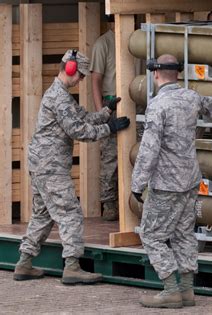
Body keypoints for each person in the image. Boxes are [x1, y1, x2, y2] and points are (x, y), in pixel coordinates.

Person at [13, 49, 130, 285]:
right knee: (70, 213)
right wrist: (110, 128)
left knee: (42, 215)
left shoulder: (61, 96)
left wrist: (106, 112)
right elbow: (79, 131)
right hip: (50, 167)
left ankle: (24, 262)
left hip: (42, 165)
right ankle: (72, 266)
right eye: (81, 75)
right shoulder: (59, 97)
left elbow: (82, 117)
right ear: (70, 69)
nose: (82, 80)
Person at [131, 54, 212, 308]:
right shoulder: (190, 97)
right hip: (190, 180)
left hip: (166, 184)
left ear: (156, 74)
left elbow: (149, 150)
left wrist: (137, 184)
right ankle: (187, 290)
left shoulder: (157, 105)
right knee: (183, 233)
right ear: (177, 73)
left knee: (152, 235)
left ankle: (170, 289)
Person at [90, 14, 119, 221]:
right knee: (110, 157)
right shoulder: (103, 43)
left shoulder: (135, 39)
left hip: (134, 104)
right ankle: (109, 203)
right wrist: (102, 112)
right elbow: (96, 80)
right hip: (112, 104)